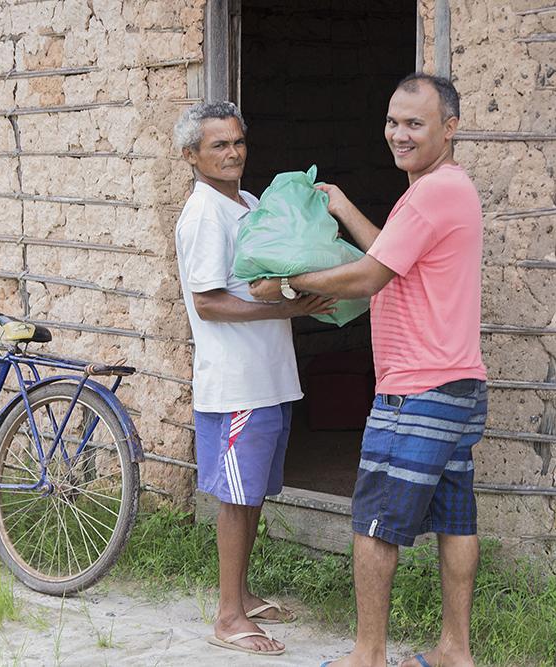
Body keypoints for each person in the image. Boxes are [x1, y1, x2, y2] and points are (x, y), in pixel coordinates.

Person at [250, 73, 487, 667]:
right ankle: (455, 652)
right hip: (457, 381)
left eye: (415, 123)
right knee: (456, 518)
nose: (398, 134)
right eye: (392, 121)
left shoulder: (432, 193)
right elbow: (393, 256)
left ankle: (368, 656)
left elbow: (370, 275)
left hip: (418, 386)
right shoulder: (445, 189)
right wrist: (344, 206)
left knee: (374, 519)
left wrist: (285, 282)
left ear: (450, 129)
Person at [172, 101, 336, 657]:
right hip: (237, 381)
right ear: (191, 155)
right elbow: (210, 303)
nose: (233, 152)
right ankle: (227, 616)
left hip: (268, 375)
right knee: (236, 500)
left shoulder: (246, 201)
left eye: (238, 141)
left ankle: (241, 593)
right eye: (219, 145)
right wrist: (288, 312)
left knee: (253, 492)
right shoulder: (203, 216)